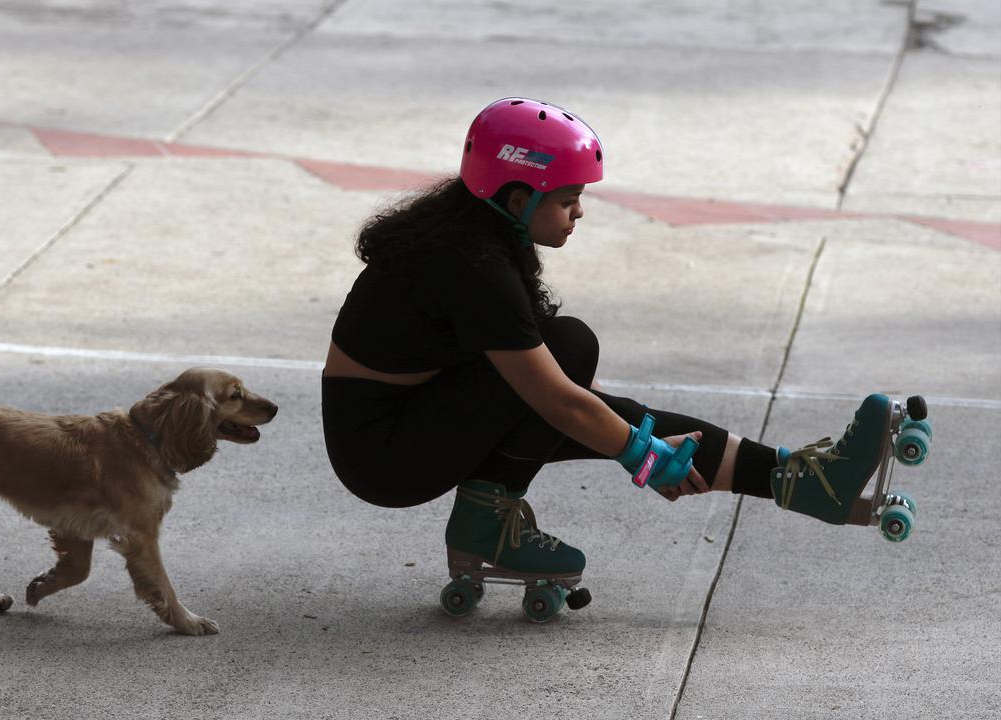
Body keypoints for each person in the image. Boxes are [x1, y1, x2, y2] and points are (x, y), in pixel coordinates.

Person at [320, 97, 907, 591]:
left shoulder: (472, 234)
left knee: (584, 378)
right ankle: (485, 527)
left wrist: (637, 436)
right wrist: (643, 456)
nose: (579, 211)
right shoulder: (473, 267)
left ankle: (799, 479)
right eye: (567, 198)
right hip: (386, 453)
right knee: (571, 354)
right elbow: (560, 399)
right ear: (519, 199)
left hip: (408, 424)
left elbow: (574, 396)